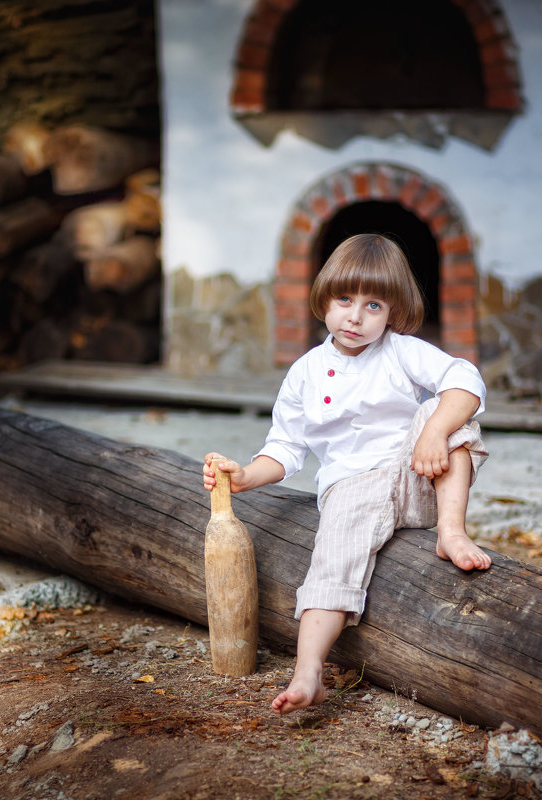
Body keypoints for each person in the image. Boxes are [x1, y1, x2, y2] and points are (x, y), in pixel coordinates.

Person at [202, 233, 490, 714]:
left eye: (373, 305)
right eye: (344, 300)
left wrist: (433, 431)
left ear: (393, 312)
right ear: (324, 301)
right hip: (352, 491)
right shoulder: (306, 372)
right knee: (330, 566)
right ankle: (308, 671)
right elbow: (287, 446)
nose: (355, 317)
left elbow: (466, 379)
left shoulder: (401, 351)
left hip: (418, 476)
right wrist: (246, 476)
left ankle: (452, 532)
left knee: (451, 413)